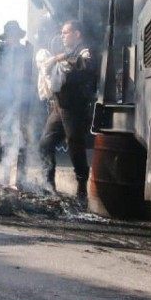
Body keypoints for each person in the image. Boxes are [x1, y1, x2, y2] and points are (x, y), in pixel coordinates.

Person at [37, 20, 97, 200]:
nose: (62, 36)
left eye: (66, 32)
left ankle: (81, 189)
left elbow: (83, 65)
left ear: (77, 34)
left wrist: (62, 58)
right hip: (59, 106)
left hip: (75, 107)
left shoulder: (85, 51)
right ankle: (49, 185)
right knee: (45, 144)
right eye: (62, 33)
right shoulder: (66, 53)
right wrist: (59, 57)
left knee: (75, 146)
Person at [0, 20, 36, 183]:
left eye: (15, 35)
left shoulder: (26, 52)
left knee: (21, 138)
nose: (12, 38)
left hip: (21, 100)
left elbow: (31, 76)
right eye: (10, 35)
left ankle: (19, 177)